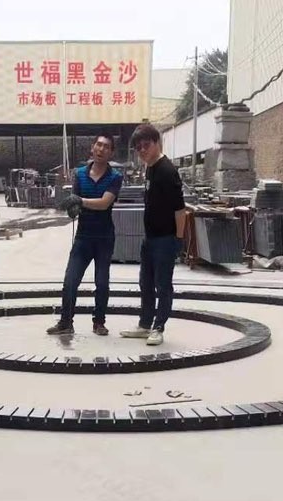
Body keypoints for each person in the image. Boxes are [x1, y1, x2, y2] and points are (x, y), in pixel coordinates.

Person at [47, 134, 123, 336]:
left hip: (104, 238)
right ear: (92, 147)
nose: (101, 149)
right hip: (83, 237)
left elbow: (104, 203)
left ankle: (99, 322)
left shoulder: (115, 177)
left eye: (106, 146)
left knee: (102, 283)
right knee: (70, 280)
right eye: (98, 144)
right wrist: (72, 208)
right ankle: (66, 322)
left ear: (111, 152)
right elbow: (75, 201)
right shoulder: (80, 174)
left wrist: (80, 201)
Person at [120, 123, 186, 347]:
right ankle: (145, 324)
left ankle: (158, 327)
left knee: (162, 284)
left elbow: (180, 209)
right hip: (149, 238)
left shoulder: (167, 171)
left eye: (146, 145)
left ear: (157, 143)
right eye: (138, 148)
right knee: (145, 283)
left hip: (166, 239)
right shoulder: (150, 168)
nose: (142, 151)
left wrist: (178, 239)